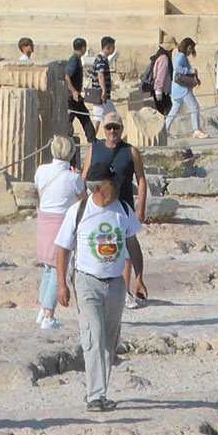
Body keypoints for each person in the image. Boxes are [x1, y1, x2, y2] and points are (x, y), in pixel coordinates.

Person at [53, 160, 144, 412]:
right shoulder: (78, 211)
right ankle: (94, 395)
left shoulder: (123, 209)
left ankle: (100, 392)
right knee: (93, 334)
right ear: (99, 188)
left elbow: (133, 243)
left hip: (115, 283)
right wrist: (61, 284)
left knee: (110, 339)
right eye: (112, 183)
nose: (117, 187)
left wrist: (139, 276)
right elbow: (62, 248)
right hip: (86, 281)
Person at [89, 109, 151, 302]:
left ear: (122, 129)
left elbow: (141, 179)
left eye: (116, 127)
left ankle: (125, 291)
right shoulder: (95, 148)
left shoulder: (131, 151)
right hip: (99, 207)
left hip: (124, 206)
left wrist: (140, 208)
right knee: (103, 247)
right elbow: (86, 177)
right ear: (104, 129)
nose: (112, 131)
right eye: (109, 127)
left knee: (126, 249)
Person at [32, 134, 84, 329]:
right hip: (62, 223)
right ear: (71, 152)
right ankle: (49, 315)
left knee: (48, 267)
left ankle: (42, 310)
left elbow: (38, 190)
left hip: (44, 219)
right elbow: (83, 200)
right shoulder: (73, 177)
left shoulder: (41, 170)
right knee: (57, 268)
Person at [169, 37, 204, 138]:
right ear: (188, 47)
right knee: (194, 107)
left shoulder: (181, 56)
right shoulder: (181, 56)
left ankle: (165, 129)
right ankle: (196, 130)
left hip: (177, 88)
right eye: (191, 48)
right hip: (182, 89)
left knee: (174, 110)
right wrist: (190, 71)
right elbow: (177, 68)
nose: (192, 51)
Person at [66, 38, 98, 145]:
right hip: (72, 97)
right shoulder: (74, 59)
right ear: (83, 48)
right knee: (70, 118)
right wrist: (74, 91)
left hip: (76, 97)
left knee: (84, 115)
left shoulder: (77, 58)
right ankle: (91, 139)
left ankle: (92, 140)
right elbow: (67, 76)